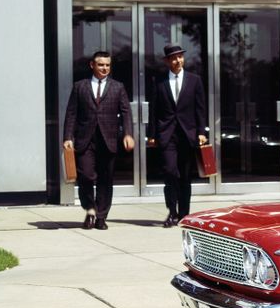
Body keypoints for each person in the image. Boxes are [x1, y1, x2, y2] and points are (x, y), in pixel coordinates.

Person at [62, 51, 135, 230]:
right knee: (86, 175)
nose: (104, 68)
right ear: (92, 65)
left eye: (107, 65)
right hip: (85, 139)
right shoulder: (80, 86)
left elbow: (126, 112)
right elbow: (71, 113)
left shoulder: (118, 87)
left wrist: (128, 133)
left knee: (105, 179)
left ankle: (101, 216)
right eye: (101, 64)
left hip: (108, 139)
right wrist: (67, 137)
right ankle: (90, 210)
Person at [148, 44, 208, 227]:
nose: (178, 61)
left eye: (180, 57)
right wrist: (152, 135)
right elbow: (154, 110)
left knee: (185, 176)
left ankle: (184, 214)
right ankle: (172, 212)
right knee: (170, 173)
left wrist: (201, 132)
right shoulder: (159, 82)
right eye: (173, 58)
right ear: (167, 61)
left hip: (187, 134)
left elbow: (200, 108)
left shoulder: (194, 80)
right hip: (167, 135)